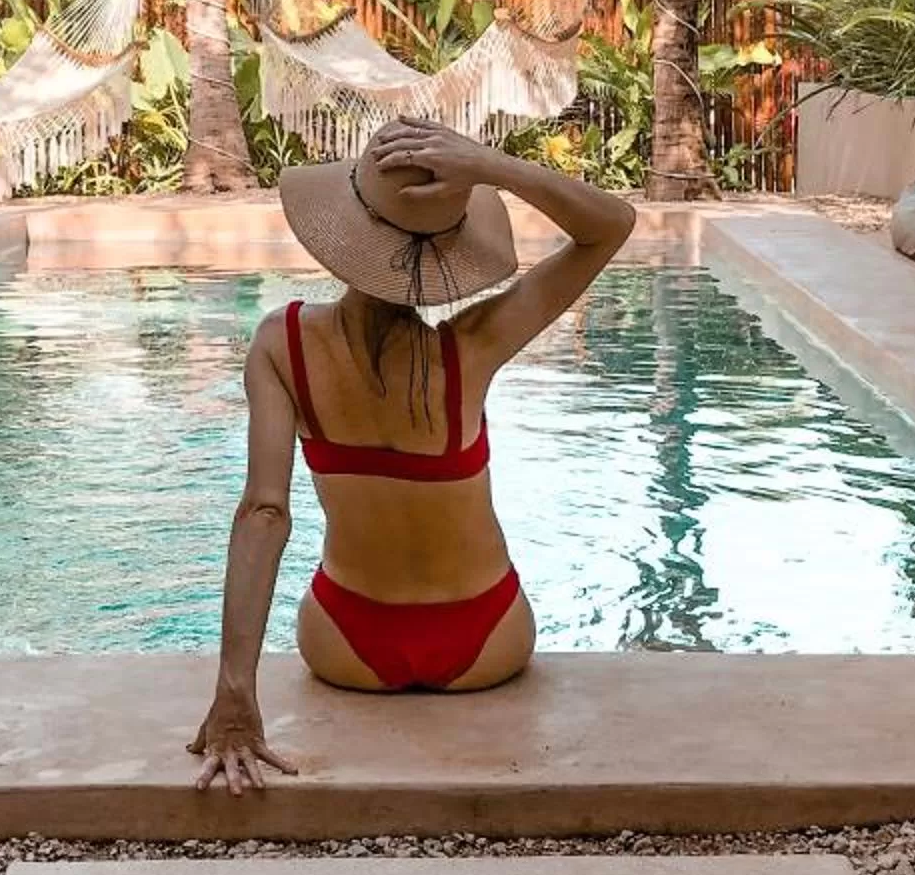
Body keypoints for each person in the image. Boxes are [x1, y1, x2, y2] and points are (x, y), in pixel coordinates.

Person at [189, 120, 636, 792]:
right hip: (487, 639)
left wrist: (233, 699)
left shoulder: (282, 346)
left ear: (345, 227)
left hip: (346, 643)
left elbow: (263, 512)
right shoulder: (474, 345)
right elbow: (612, 225)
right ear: (453, 245)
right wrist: (493, 167)